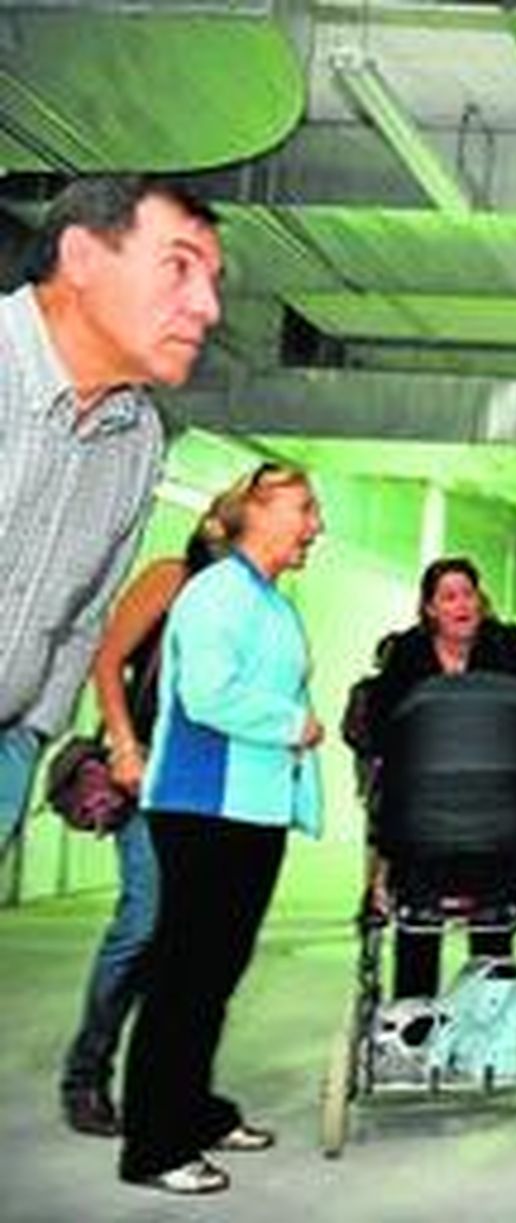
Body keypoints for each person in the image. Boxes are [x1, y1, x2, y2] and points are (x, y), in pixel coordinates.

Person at [118, 464, 324, 1196]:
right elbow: (208, 696)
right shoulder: (215, 592)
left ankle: (195, 1110)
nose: (316, 526)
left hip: (251, 810)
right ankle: (154, 1143)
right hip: (203, 808)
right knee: (185, 977)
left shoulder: (267, 599)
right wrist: (293, 724)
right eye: (304, 509)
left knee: (214, 976)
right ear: (256, 511)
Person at [0, 175, 222, 849]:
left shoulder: (138, 437)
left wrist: (34, 730)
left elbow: (84, 612)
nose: (208, 306)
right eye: (178, 267)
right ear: (82, 258)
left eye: (212, 280)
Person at [59, 506, 235, 1137]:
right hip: (150, 776)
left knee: (196, 944)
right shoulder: (172, 577)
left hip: (213, 785)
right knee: (142, 923)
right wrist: (125, 745)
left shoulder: (249, 601)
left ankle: (172, 1088)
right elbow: (108, 661)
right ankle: (86, 1076)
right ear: (217, 525)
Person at [366, 557, 516, 999]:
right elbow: (381, 727)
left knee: (493, 932)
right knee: (418, 929)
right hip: (423, 816)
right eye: (449, 596)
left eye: (468, 594)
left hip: (498, 813)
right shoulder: (409, 653)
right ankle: (415, 1016)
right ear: (430, 608)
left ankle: (490, 1020)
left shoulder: (508, 648)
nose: (462, 605)